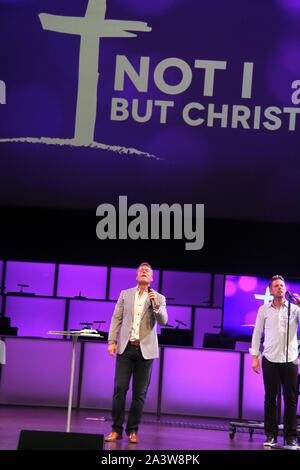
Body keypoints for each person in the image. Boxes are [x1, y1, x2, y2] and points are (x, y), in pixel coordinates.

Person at [105, 262, 168, 444]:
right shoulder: (125, 294)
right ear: (136, 276)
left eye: (147, 271)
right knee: (119, 389)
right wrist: (111, 341)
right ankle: (116, 430)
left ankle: (132, 430)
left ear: (151, 278)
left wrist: (156, 304)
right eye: (141, 270)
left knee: (139, 393)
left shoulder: (159, 297)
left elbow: (163, 321)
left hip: (145, 351)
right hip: (126, 348)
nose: (144, 272)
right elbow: (116, 317)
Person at [250, 274, 300, 448]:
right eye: (277, 286)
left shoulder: (295, 309)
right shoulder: (264, 309)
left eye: (282, 285)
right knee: (271, 398)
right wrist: (254, 357)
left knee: (291, 399)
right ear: (270, 290)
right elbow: (257, 333)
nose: (280, 288)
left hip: (291, 359)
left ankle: (292, 437)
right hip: (270, 358)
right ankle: (271, 435)